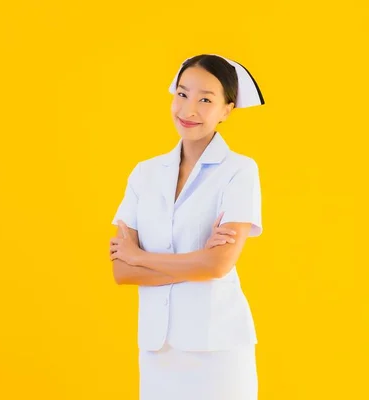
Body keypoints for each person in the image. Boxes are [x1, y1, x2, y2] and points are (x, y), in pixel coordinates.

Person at [109, 53, 265, 400]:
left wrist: (141, 257)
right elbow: (121, 270)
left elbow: (218, 264)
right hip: (158, 351)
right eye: (182, 94)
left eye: (205, 100)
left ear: (227, 109)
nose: (189, 110)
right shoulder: (144, 174)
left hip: (217, 348)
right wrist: (194, 264)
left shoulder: (239, 171)